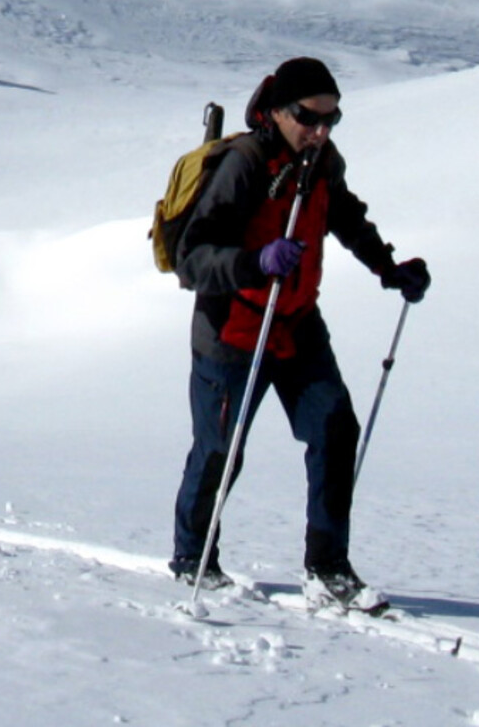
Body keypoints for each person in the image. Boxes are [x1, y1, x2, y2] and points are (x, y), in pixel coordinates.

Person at [168, 56, 430, 610]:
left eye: (332, 119)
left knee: (336, 430)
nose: (321, 131)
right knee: (221, 448)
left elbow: (347, 217)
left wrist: (388, 267)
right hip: (232, 331)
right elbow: (193, 259)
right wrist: (255, 262)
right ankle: (193, 556)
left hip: (295, 324)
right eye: (311, 118)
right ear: (280, 111)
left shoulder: (321, 162)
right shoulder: (244, 164)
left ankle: (328, 567)